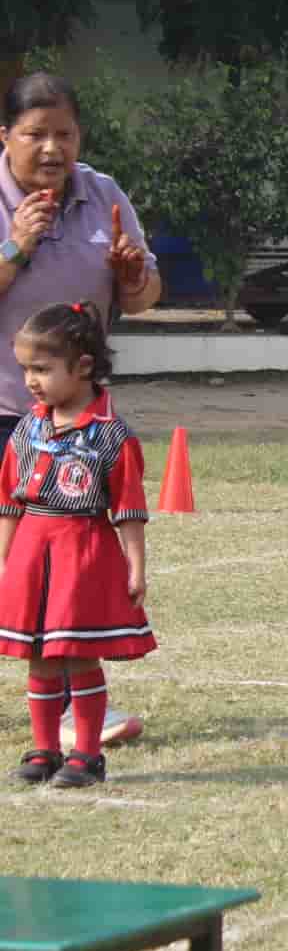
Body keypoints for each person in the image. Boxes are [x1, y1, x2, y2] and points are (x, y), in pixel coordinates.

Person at [0, 72, 161, 749]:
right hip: (5, 411)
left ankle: (74, 712)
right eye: (35, 134)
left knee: (65, 566)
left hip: (75, 425)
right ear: (5, 136)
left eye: (63, 134)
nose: (51, 148)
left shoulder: (103, 194)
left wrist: (132, 276)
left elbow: (146, 295)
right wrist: (15, 247)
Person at [0, 302, 153, 788]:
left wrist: (136, 568)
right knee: (38, 656)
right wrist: (4, 559)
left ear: (83, 366)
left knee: (79, 653)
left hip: (83, 552)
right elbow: (9, 500)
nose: (31, 380)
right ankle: (44, 748)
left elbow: (129, 510)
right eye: (26, 369)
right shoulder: (27, 428)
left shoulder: (111, 436)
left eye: (42, 369)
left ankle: (87, 755)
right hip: (32, 552)